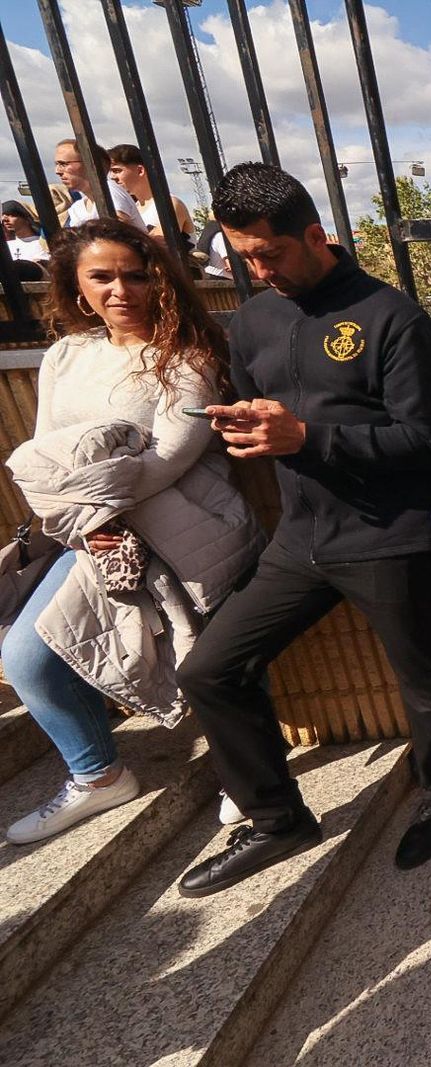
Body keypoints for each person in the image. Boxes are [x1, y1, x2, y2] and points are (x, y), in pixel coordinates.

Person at [173, 163, 431, 897]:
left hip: (389, 534)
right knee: (208, 670)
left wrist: (307, 437)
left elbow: (421, 441)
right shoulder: (253, 321)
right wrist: (246, 429)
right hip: (299, 539)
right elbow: (261, 415)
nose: (259, 270)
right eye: (245, 257)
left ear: (314, 235)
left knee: (424, 679)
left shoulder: (393, 317)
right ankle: (278, 820)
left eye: (270, 253)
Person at [2, 219, 261, 844]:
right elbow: (43, 455)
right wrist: (83, 514)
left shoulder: (188, 356)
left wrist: (83, 498)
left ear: (159, 281)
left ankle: (248, 773)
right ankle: (98, 774)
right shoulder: (66, 355)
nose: (120, 290)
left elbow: (168, 459)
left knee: (212, 659)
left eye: (135, 275)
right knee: (26, 658)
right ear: (77, 286)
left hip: (187, 533)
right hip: (90, 537)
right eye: (102, 277)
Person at [108, 144, 195, 244]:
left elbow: (158, 245)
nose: (112, 177)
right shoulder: (132, 209)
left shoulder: (170, 204)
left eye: (117, 171)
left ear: (140, 171)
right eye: (110, 172)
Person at [54, 140, 141, 228]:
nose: (57, 171)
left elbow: (120, 231)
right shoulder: (77, 209)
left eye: (63, 164)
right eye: (56, 164)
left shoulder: (109, 190)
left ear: (89, 163)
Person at [3, 200, 49, 276]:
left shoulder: (44, 243)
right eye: (4, 215)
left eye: (12, 215)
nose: (5, 219)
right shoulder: (5, 246)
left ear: (27, 219)